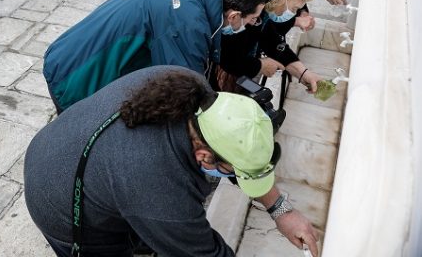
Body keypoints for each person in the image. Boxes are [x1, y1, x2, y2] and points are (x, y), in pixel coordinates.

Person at [24, 66, 321, 257]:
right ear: (204, 155)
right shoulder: (160, 189)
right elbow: (205, 254)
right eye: (235, 172)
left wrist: (280, 209)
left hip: (67, 142)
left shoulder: (192, 87)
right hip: (58, 201)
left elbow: (236, 153)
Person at [43, 0, 272, 112]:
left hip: (64, 54)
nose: (254, 23)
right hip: (76, 83)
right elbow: (184, 94)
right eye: (253, 18)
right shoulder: (188, 27)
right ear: (233, 16)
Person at [215, 0, 323, 95]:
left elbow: (272, 41)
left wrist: (304, 73)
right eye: (294, 8)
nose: (293, 14)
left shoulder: (263, 5)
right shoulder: (246, 5)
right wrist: (260, 66)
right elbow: (227, 58)